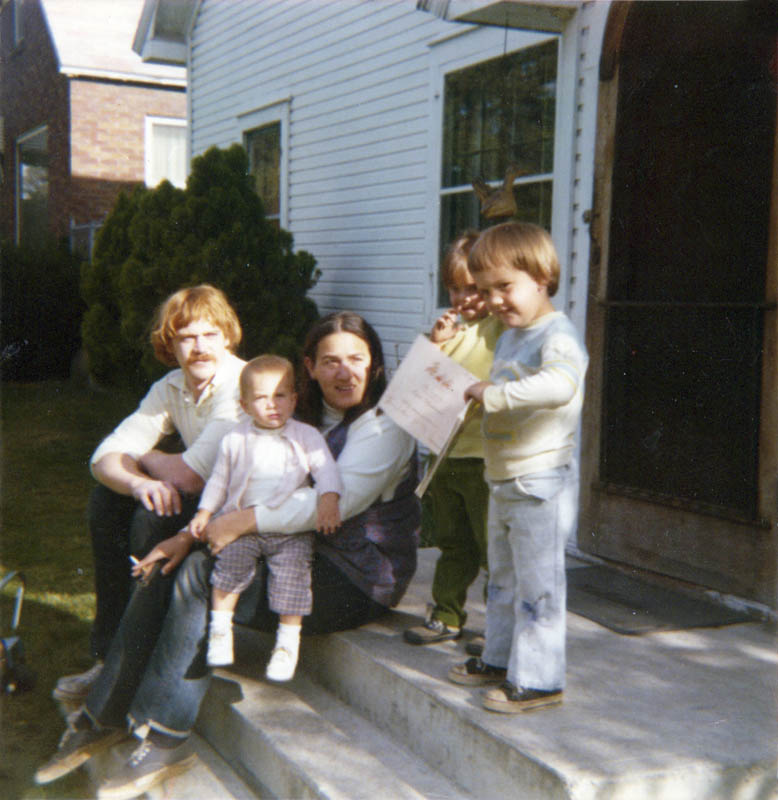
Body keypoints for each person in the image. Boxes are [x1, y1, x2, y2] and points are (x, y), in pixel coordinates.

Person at [35, 311, 420, 798]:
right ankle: (104, 714)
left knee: (199, 577)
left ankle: (165, 738)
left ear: (376, 366)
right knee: (171, 563)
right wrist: (186, 537)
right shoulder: (301, 417)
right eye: (331, 362)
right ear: (311, 367)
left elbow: (331, 504)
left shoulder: (386, 427)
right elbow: (246, 484)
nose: (345, 373)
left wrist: (236, 524)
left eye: (357, 360)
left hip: (357, 577)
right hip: (290, 551)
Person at [54, 285, 246, 704]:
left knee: (153, 516)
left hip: (244, 517)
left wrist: (144, 455)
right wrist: (140, 481)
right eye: (187, 337)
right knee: (109, 501)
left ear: (227, 337)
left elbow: (190, 476)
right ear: (169, 345)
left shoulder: (241, 386)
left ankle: (138, 662)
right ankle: (108, 659)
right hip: (205, 504)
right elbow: (103, 457)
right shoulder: (171, 387)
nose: (199, 348)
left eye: (210, 335)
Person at [447, 222, 588, 713]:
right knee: (502, 577)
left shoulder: (558, 335)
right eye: (485, 291)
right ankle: (501, 658)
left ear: (541, 277)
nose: (494, 300)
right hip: (504, 477)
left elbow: (560, 387)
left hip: (540, 481)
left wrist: (495, 395)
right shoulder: (512, 334)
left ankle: (541, 680)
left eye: (505, 286)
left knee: (538, 586)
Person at [187, 354, 342, 680]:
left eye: (281, 395)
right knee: (229, 566)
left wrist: (329, 499)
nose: (273, 404)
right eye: (261, 398)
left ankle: (287, 644)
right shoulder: (235, 438)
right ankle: (220, 630)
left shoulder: (306, 435)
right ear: (244, 405)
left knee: (292, 575)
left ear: (294, 398)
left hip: (288, 528)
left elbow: (326, 469)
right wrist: (205, 511)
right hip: (243, 524)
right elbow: (219, 480)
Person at [403, 231, 502, 648]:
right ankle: (446, 614)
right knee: (453, 543)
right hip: (446, 457)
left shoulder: (501, 329)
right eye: (455, 288)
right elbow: (418, 383)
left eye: (474, 289)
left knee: (492, 550)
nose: (464, 299)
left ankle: (500, 628)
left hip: (483, 458)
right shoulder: (449, 332)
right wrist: (435, 344)